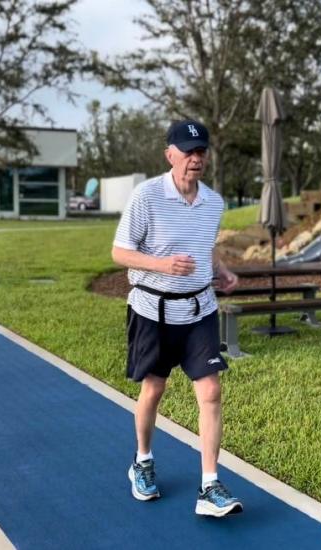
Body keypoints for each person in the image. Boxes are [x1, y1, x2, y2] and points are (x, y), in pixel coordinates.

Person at [111, 119, 242, 517]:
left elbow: (203, 247)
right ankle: (143, 461)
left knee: (211, 392)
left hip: (199, 309)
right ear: (170, 154)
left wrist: (220, 271)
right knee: (154, 389)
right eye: (188, 151)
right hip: (153, 310)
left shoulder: (214, 202)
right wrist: (163, 265)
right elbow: (120, 252)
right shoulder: (147, 196)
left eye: (201, 151)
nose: (196, 158)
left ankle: (209, 486)